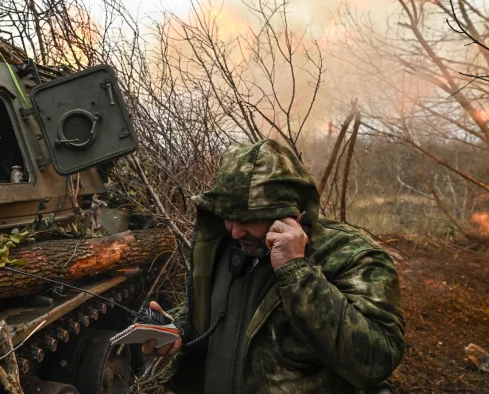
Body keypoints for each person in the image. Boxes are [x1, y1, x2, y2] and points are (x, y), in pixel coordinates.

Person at [142, 140, 405, 393]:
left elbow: (377, 360)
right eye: (227, 218)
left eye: (247, 219)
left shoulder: (351, 255)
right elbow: (217, 311)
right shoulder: (228, 246)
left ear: (291, 213)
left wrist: (296, 272)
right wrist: (177, 326)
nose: (234, 231)